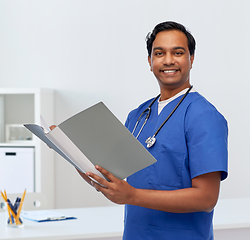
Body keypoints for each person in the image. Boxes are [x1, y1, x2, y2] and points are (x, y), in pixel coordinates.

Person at [82, 21, 228, 240]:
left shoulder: (204, 117)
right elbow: (111, 177)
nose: (168, 60)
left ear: (191, 59)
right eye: (159, 53)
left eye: (178, 52)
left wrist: (133, 195)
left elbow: (206, 199)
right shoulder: (138, 115)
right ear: (150, 62)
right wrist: (67, 148)